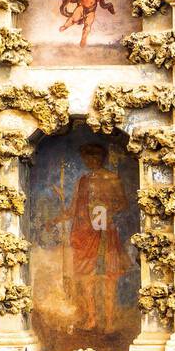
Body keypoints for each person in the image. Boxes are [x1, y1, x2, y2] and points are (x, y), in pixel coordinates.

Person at [66, 142, 129, 333]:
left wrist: (107, 210)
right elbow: (73, 208)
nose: (91, 161)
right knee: (87, 280)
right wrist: (55, 220)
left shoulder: (112, 178)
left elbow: (123, 203)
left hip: (106, 233)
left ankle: (109, 322)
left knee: (109, 278)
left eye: (95, 157)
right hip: (85, 234)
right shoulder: (83, 180)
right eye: (88, 158)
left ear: (101, 158)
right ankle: (92, 319)